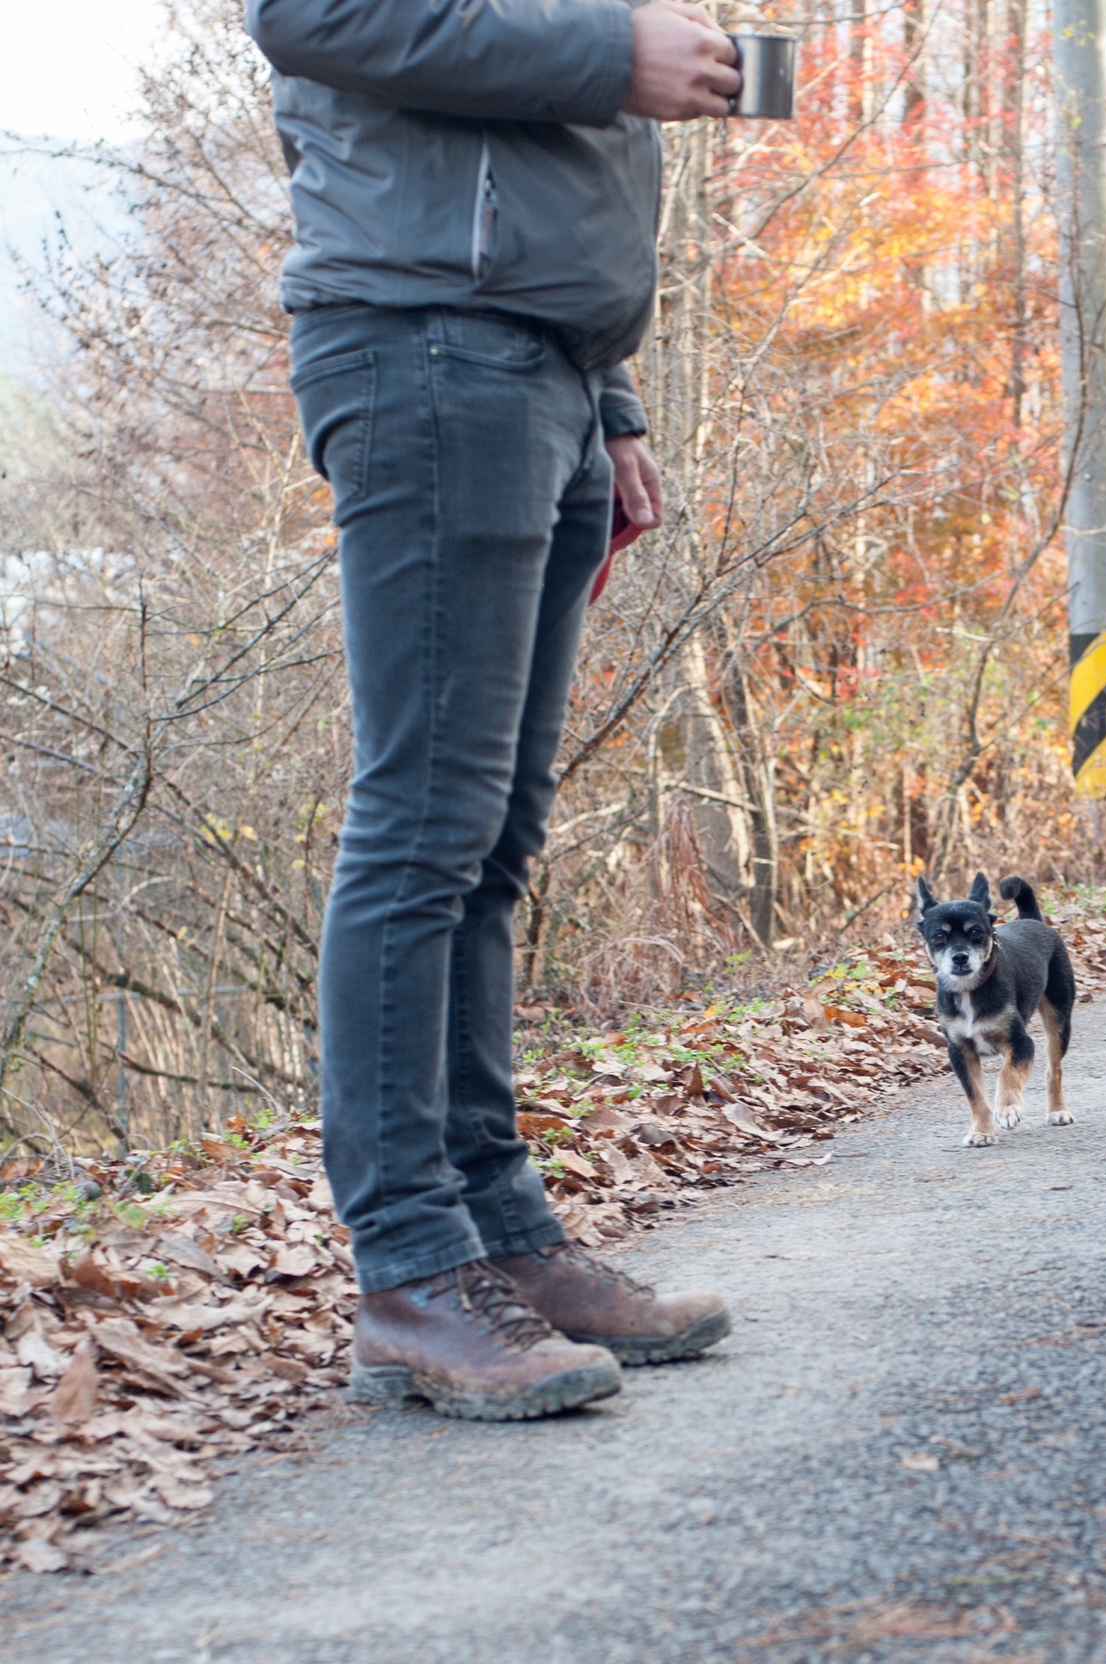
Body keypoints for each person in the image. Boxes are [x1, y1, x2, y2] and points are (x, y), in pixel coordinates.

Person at [247, 0, 744, 1419]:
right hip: (425, 349)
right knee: (421, 833)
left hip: (545, 370)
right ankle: (409, 1276)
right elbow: (315, 13)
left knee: (492, 839)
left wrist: (618, 401)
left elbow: (538, 181)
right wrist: (612, 57)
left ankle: (506, 1241)